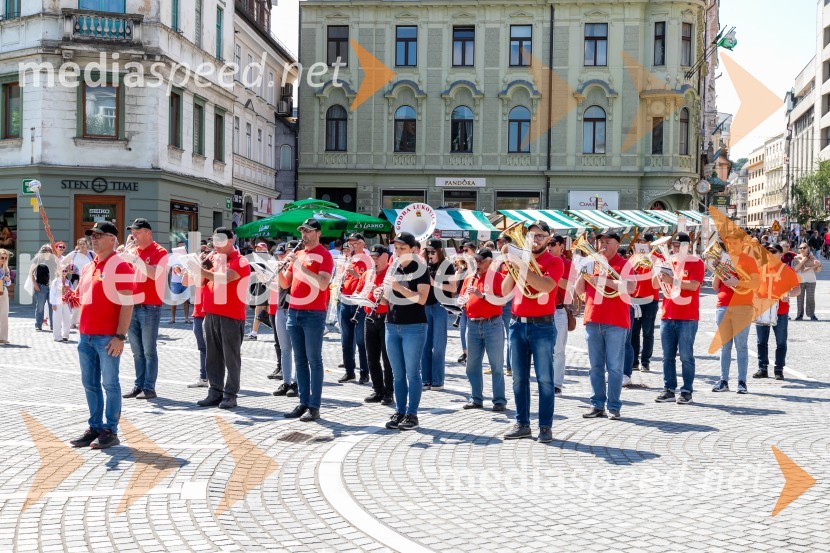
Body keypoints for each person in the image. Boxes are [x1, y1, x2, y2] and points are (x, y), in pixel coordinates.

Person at [69, 221, 134, 450]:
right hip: (85, 335)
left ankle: (110, 430)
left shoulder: (121, 266)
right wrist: (70, 295)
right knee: (90, 384)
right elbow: (83, 298)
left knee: (110, 384)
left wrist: (120, 336)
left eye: (99, 235)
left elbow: (127, 304)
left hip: (108, 337)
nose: (94, 239)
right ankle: (95, 427)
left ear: (112, 239)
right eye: (92, 236)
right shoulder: (88, 266)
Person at [501, 220, 563, 443]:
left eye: (539, 236)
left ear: (548, 239)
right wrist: (513, 265)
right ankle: (522, 424)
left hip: (542, 326)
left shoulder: (555, 262)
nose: (534, 240)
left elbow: (545, 287)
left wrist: (522, 266)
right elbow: (504, 290)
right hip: (517, 324)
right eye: (530, 236)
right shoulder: (520, 260)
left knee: (545, 379)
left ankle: (545, 426)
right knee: (519, 379)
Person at [575, 232, 634, 420]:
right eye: (601, 241)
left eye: (607, 242)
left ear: (617, 245)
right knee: (595, 367)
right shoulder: (593, 263)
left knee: (615, 367)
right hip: (593, 319)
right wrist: (582, 274)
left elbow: (630, 288)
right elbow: (579, 291)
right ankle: (597, 405)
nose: (603, 244)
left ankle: (614, 406)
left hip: (616, 321)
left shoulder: (624, 264)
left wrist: (604, 281)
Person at [279, 219, 334, 422]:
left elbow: (323, 283)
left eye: (309, 231)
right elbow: (285, 283)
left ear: (318, 233)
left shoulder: (325, 255)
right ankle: (303, 402)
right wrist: (277, 270)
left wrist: (299, 266)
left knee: (314, 360)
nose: (304, 235)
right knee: (300, 360)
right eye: (303, 231)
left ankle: (314, 406)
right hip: (294, 311)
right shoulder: (299, 254)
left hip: (313, 313)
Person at [194, 227, 251, 410]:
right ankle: (215, 392)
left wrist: (201, 271)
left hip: (231, 316)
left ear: (230, 240)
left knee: (231, 358)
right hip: (210, 313)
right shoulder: (212, 258)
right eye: (214, 240)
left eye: (220, 241)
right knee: (212, 356)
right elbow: (198, 282)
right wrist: (193, 269)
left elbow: (225, 278)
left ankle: (230, 394)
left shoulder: (240, 260)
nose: (216, 244)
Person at [381, 232, 430, 431]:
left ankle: (412, 414)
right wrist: (380, 294)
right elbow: (386, 299)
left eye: (402, 248)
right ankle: (400, 411)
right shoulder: (393, 267)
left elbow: (422, 299)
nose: (398, 252)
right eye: (396, 248)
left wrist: (398, 287)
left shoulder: (420, 269)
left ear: (413, 249)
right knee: (397, 374)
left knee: (412, 373)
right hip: (392, 324)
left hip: (414, 326)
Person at [120, 219, 167, 400]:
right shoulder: (132, 251)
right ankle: (138, 385)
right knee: (136, 351)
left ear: (148, 232)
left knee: (149, 350)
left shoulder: (160, 252)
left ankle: (149, 387)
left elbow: (154, 274)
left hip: (150, 306)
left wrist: (134, 259)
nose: (134, 235)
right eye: (132, 232)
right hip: (132, 305)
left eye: (137, 232)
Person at [655, 232, 705, 405]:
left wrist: (673, 281)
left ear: (687, 246)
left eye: (678, 245)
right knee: (667, 356)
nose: (674, 248)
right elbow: (655, 285)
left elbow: (694, 285)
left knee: (686, 357)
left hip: (687, 316)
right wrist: (657, 272)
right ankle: (669, 389)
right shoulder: (669, 261)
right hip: (667, 314)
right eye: (673, 245)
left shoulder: (696, 262)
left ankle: (686, 391)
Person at [710, 233, 760, 395]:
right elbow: (715, 286)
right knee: (725, 346)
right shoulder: (724, 259)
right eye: (729, 243)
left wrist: (737, 282)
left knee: (741, 346)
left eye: (734, 243)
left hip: (743, 306)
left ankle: (742, 382)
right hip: (723, 305)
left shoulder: (748, 260)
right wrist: (717, 270)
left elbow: (756, 283)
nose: (731, 246)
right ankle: (723, 381)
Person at [461, 248, 507, 411]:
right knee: (472, 365)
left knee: (496, 364)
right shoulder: (469, 278)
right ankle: (476, 398)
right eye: (476, 261)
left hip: (492, 324)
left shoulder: (498, 277)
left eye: (481, 261)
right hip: (473, 324)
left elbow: (502, 301)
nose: (477, 264)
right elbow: (464, 299)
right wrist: (461, 303)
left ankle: (499, 400)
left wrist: (483, 296)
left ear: (490, 262)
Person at [754, 244, 800, 380]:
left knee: (781, 342)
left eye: (773, 251)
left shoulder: (787, 270)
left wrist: (789, 294)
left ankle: (779, 369)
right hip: (762, 309)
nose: (769, 253)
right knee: (761, 342)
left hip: (781, 311)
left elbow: (797, 289)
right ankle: (762, 368)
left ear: (781, 254)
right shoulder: (760, 269)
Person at [361, 243, 394, 404]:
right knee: (372, 357)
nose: (374, 261)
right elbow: (359, 292)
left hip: (386, 317)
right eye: (372, 258)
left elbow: (395, 298)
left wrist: (381, 292)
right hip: (369, 316)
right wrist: (365, 292)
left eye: (377, 257)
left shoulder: (391, 273)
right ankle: (377, 390)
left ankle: (389, 392)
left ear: (386, 257)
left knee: (387, 359)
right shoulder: (368, 273)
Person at [421, 238, 456, 390]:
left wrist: (434, 283)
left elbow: (453, 288)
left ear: (439, 251)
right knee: (425, 345)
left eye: (433, 252)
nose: (430, 255)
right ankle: (425, 379)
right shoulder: (424, 265)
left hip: (440, 306)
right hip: (425, 306)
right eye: (428, 252)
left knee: (438, 345)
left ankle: (437, 380)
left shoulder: (447, 265)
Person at [337, 233, 371, 384]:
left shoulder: (368, 259)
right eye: (350, 243)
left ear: (362, 243)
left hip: (360, 303)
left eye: (355, 243)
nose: (351, 246)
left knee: (361, 340)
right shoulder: (348, 259)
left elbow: (371, 280)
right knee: (346, 340)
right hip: (345, 300)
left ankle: (364, 373)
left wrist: (357, 275)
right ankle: (349, 372)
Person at [628, 234, 660, 375]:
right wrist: (635, 264)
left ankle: (645, 362)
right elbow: (628, 274)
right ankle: (634, 361)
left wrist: (650, 260)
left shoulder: (657, 258)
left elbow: (658, 277)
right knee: (634, 332)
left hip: (650, 299)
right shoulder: (634, 257)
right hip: (635, 298)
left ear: (650, 243)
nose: (641, 243)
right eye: (639, 241)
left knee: (648, 332)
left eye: (644, 242)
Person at [271, 242, 298, 398]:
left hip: (295, 308)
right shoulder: (286, 266)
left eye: (288, 252)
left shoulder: (299, 265)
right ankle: (286, 381)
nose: (285, 255)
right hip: (281, 307)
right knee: (285, 348)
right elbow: (282, 285)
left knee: (298, 350)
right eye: (285, 252)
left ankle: (296, 382)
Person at [546, 235, 573, 395]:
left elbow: (569, 285)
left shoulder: (567, 263)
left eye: (552, 244)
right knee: (543, 350)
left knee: (559, 350)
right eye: (547, 244)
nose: (549, 246)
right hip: (542, 310)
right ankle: (545, 382)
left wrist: (552, 277)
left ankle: (556, 384)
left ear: (561, 246)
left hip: (558, 310)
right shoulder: (542, 261)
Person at [182, 248, 211, 388]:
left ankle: (214, 378)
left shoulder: (210, 272)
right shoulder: (198, 271)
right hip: (198, 311)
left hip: (210, 311)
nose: (202, 255)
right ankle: (204, 377)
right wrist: (187, 268)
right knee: (202, 347)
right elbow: (185, 282)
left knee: (212, 347)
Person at [495, 233, 514, 376]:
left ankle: (510, 366)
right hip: (497, 301)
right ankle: (496, 365)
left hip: (508, 301)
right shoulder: (498, 261)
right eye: (498, 242)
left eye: (501, 242)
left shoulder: (512, 260)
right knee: (496, 337)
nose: (499, 244)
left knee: (510, 336)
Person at [245, 242, 271, 340]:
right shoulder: (255, 259)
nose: (259, 250)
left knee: (261, 310)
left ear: (266, 249)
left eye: (261, 249)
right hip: (259, 286)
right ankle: (254, 333)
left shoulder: (269, 259)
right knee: (260, 310)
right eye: (257, 249)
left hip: (267, 286)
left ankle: (254, 333)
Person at [30, 244, 56, 331]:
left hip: (52, 286)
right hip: (41, 286)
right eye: (44, 250)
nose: (46, 252)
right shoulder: (37, 259)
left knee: (52, 306)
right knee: (40, 306)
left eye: (48, 250)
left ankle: (54, 326)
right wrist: (35, 283)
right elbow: (30, 272)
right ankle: (38, 325)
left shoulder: (53, 260)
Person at [793, 243, 821, 321]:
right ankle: (799, 315)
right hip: (800, 281)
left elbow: (817, 270)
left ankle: (812, 314)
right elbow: (795, 269)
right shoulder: (796, 258)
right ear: (798, 249)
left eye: (804, 247)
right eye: (801, 248)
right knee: (800, 299)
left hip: (811, 280)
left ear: (807, 248)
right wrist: (804, 260)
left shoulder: (812, 258)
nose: (802, 249)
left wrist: (818, 265)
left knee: (810, 298)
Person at [50, 265, 74, 342]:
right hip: (57, 302)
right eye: (62, 271)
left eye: (65, 271)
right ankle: (57, 336)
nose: (64, 272)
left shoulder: (68, 282)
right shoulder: (55, 282)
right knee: (57, 319)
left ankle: (65, 335)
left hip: (66, 303)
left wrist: (70, 297)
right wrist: (53, 303)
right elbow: (52, 293)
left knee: (67, 319)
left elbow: (72, 292)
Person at [0, 248, 13, 345]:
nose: (4, 259)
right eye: (2, 257)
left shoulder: (6, 268)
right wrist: (2, 277)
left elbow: (8, 283)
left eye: (5, 258)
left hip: (3, 291)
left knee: (4, 315)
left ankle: (3, 337)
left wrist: (8, 280)